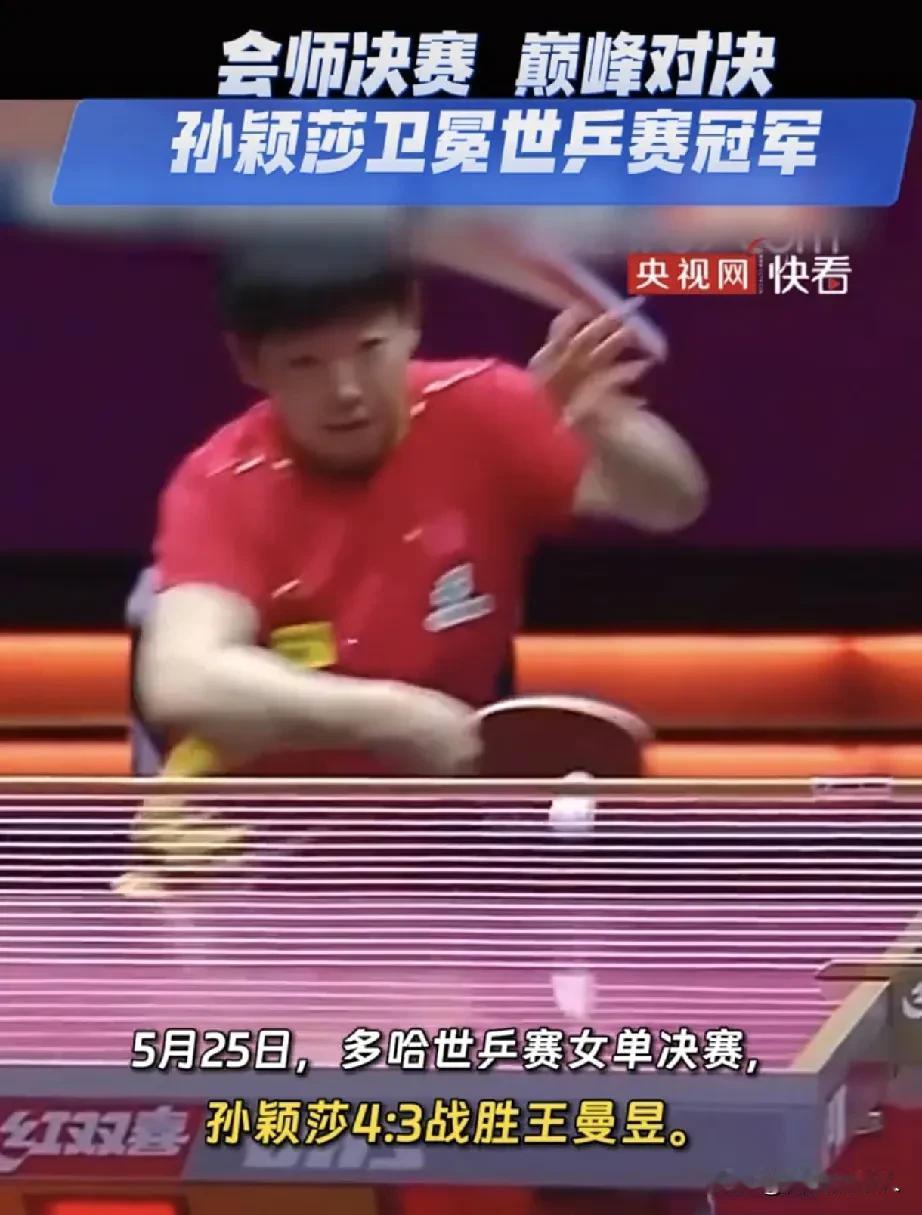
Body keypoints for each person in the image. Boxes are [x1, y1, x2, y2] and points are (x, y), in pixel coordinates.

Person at [136, 226, 707, 799]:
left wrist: (605, 427)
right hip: (256, 821)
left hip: (439, 814)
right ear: (248, 364)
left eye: (369, 349)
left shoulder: (486, 411)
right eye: (304, 363)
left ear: (411, 319)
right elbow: (183, 677)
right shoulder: (221, 482)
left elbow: (674, 504)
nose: (346, 389)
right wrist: (389, 716)